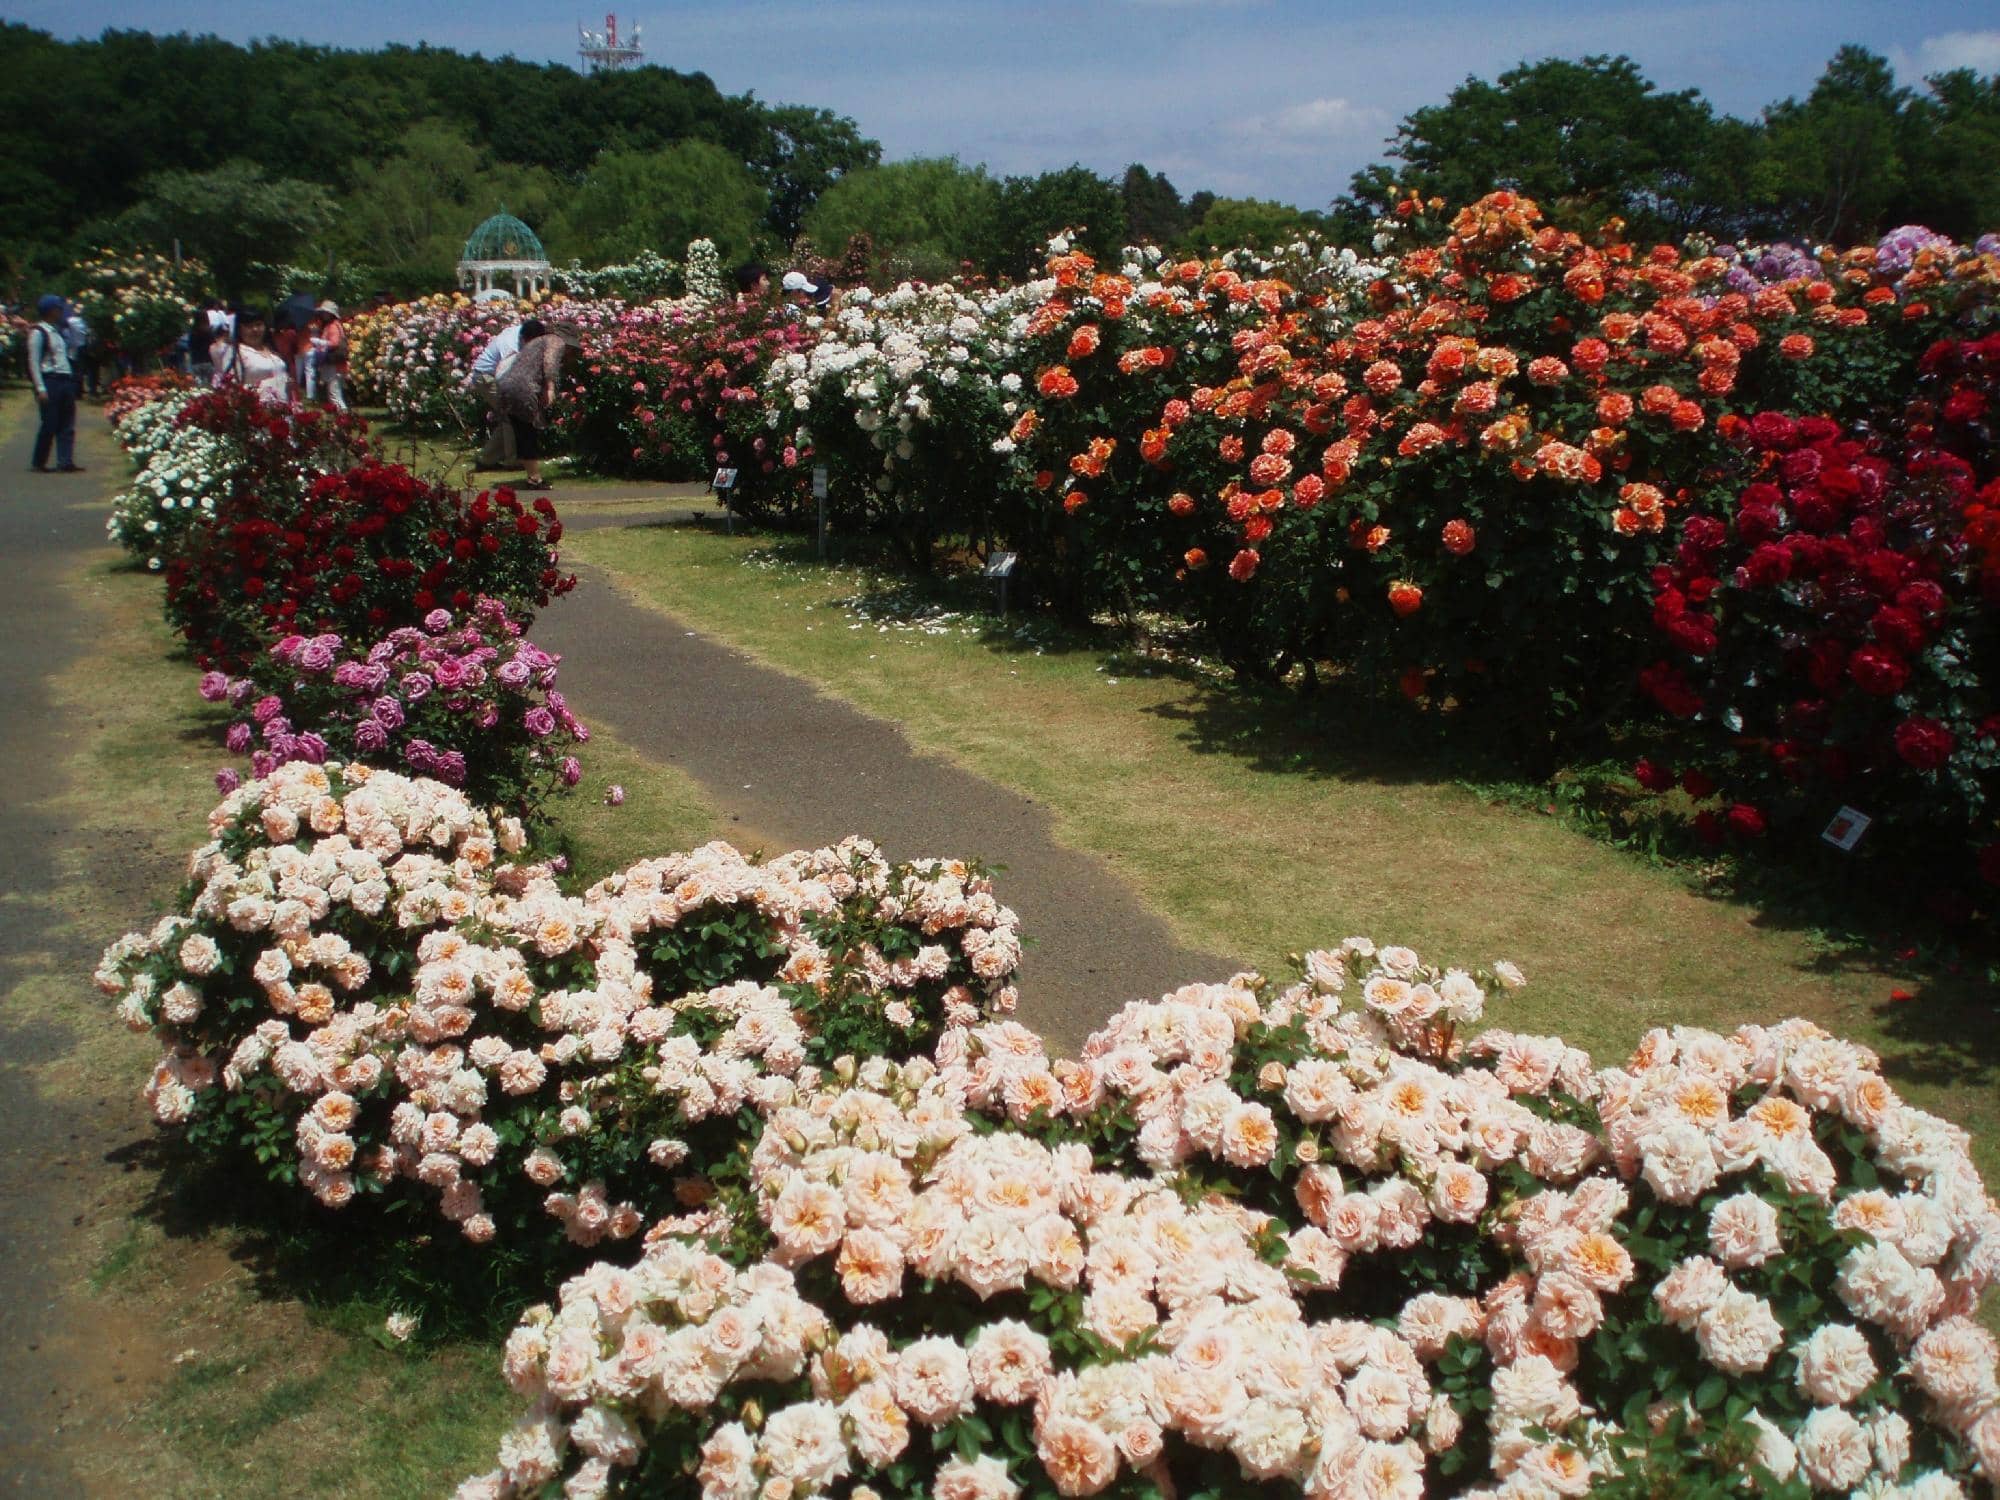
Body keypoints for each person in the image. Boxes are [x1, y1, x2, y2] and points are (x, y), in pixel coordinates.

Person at [494, 318, 570, 490]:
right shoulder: (555, 341)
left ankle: (532, 477)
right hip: (524, 388)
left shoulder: (535, 343)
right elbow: (549, 363)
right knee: (529, 433)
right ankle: (535, 478)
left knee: (522, 433)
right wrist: (550, 388)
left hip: (507, 387)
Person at [26, 294, 82, 473]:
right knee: (50, 423)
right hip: (50, 379)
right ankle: (39, 461)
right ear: (51, 311)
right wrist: (40, 387)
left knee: (67, 423)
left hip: (65, 378)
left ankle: (65, 461)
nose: (61, 312)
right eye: (58, 309)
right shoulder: (38, 332)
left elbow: (72, 350)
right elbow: (34, 362)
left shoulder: (58, 331)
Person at [468, 318, 525, 469]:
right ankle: (513, 460)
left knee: (509, 417)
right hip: (487, 377)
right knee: (512, 415)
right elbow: (505, 371)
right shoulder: (511, 344)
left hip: (486, 375)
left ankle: (486, 460)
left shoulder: (518, 333)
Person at [214, 307, 289, 404]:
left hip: (282, 407)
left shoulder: (272, 350)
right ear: (240, 329)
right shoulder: (236, 353)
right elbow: (230, 387)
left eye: (259, 324)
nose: (255, 329)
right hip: (255, 408)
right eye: (249, 326)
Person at [308, 301, 348, 410]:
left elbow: (334, 343)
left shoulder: (333, 326)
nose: (323, 314)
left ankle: (344, 415)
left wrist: (320, 342)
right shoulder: (329, 326)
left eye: (325, 312)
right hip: (334, 364)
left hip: (334, 365)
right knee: (333, 393)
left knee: (334, 393)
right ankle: (341, 415)